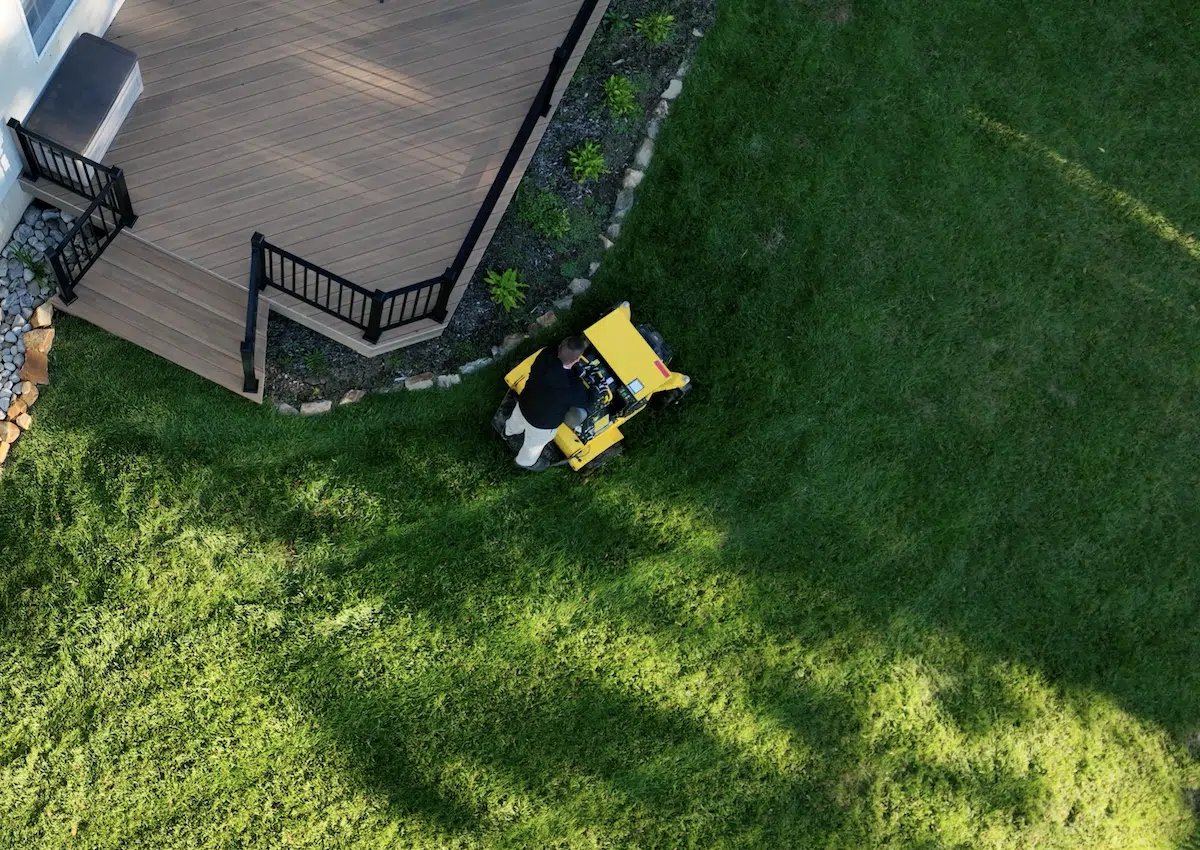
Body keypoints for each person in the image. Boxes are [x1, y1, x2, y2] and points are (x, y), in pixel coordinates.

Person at [505, 335, 590, 468]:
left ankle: (508, 432)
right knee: (532, 446)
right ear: (578, 359)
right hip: (542, 424)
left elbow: (557, 366)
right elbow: (584, 404)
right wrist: (576, 375)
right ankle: (524, 462)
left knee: (515, 421)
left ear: (560, 346)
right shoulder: (574, 388)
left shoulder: (545, 355)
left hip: (525, 404)